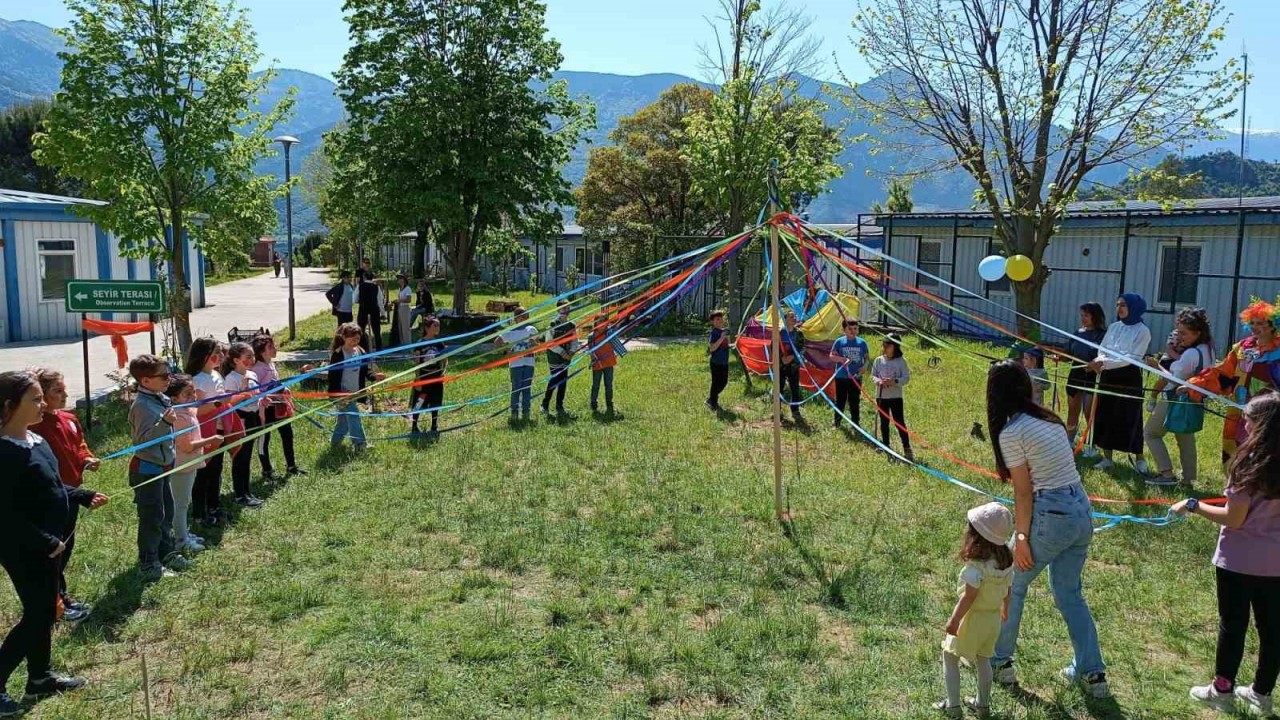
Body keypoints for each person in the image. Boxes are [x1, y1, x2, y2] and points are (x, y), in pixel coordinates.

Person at [986, 360, 1109, 698]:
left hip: (1051, 514)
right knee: (1070, 594)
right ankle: (1092, 672)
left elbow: (1024, 492)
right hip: (1081, 512)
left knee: (1011, 582)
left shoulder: (1012, 433)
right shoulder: (1049, 420)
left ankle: (999, 662)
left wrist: (1022, 539)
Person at [0, 370, 107, 714]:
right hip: (23, 547)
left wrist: (80, 494)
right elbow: (6, 515)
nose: (43, 404)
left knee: (46, 611)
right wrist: (46, 540)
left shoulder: (35, 440)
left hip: (49, 545)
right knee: (39, 613)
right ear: (8, 405)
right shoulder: (4, 453)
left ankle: (40, 678)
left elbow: (54, 486)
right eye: (35, 399)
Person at [1172, 393, 1279, 718]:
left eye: (1247, 421)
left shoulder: (1248, 462)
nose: (1243, 426)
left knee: (1233, 624)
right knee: (1272, 629)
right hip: (1276, 564)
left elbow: (1234, 518)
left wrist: (1194, 505)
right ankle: (1261, 694)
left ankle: (1222, 690)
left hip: (1239, 560)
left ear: (1261, 426)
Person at [28, 370, 102, 623]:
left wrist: (86, 458)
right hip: (51, 496)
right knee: (55, 547)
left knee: (66, 544)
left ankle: (59, 594)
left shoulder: (69, 418)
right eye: (57, 391)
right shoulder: (34, 427)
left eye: (64, 389)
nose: (65, 395)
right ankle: (55, 600)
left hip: (73, 492)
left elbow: (78, 445)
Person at [935, 502, 1014, 718]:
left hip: (972, 620)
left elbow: (968, 597)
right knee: (983, 658)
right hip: (992, 621)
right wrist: (1005, 609)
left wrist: (954, 620)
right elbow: (1008, 590)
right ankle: (982, 705)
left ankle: (952, 706)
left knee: (949, 655)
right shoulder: (1005, 561)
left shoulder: (976, 567)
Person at [1188, 298, 1280, 467]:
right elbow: (1224, 375)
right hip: (1241, 412)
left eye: (1261, 323)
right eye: (1252, 323)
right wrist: (1196, 384)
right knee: (1238, 452)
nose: (1255, 328)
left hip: (1272, 414)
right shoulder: (1242, 348)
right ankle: (1237, 488)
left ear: (1273, 325)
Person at [127, 354, 191, 581]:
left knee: (167, 512)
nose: (169, 378)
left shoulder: (159, 398)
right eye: (163, 375)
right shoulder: (142, 406)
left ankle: (166, 553)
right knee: (152, 517)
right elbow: (143, 441)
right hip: (147, 468)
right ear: (145, 381)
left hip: (163, 466)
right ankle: (149, 562)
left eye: (169, 372)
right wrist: (164, 423)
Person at [1143, 307, 1214, 487]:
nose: (1180, 337)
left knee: (1150, 433)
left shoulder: (1190, 353)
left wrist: (1156, 365)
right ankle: (1189, 479)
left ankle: (1166, 474)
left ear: (1197, 332)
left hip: (1175, 398)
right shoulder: (1208, 349)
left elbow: (1172, 378)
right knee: (1185, 437)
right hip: (1194, 401)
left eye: (1184, 333)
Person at [1086, 293, 1151, 473]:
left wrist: (1104, 363)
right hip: (1108, 375)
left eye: (1123, 305)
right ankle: (1107, 458)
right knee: (1105, 415)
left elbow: (1132, 358)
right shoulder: (1114, 327)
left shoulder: (1142, 331)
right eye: (1117, 305)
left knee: (1130, 417)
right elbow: (1103, 349)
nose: (1119, 308)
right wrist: (1100, 360)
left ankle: (1139, 458)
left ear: (1134, 307)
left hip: (1128, 377)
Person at [164, 375, 223, 554]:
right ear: (174, 398)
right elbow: (186, 445)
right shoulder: (179, 417)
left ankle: (183, 534)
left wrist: (220, 402)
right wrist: (210, 440)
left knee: (183, 502)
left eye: (193, 393)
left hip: (190, 463)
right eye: (187, 394)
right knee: (180, 505)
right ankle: (181, 541)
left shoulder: (187, 411)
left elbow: (200, 409)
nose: (192, 397)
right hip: (183, 465)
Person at [185, 338, 230, 526]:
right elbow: (199, 410)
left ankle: (214, 506)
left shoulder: (216, 375)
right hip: (204, 432)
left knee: (216, 469)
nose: (221, 356)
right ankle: (199, 513)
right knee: (203, 472)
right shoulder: (197, 380)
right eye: (216, 354)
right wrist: (221, 401)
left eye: (220, 353)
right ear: (204, 356)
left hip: (219, 429)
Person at [251, 334, 303, 480]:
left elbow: (275, 383)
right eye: (270, 347)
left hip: (280, 407)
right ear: (262, 351)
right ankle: (267, 471)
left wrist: (283, 390)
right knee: (264, 439)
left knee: (287, 435)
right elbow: (256, 391)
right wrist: (267, 395)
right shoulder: (257, 369)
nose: (275, 349)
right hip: (265, 410)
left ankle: (291, 466)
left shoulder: (271, 364)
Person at [221, 342, 264, 508]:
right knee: (240, 457)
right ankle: (240, 495)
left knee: (247, 457)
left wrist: (262, 399)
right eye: (248, 357)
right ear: (235, 360)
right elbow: (229, 401)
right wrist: (243, 392)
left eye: (253, 356)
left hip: (253, 416)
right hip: (241, 418)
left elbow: (257, 393)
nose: (252, 359)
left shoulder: (252, 374)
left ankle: (247, 492)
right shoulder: (231, 378)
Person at [328, 322, 382, 450]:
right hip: (343, 394)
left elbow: (366, 371)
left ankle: (334, 444)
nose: (355, 341)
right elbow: (333, 376)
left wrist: (375, 376)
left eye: (357, 339)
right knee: (353, 417)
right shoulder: (338, 354)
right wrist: (337, 394)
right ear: (344, 337)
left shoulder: (360, 352)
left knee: (344, 422)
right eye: (352, 339)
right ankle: (360, 444)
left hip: (355, 392)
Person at [1065, 303, 1106, 443]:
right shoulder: (1077, 333)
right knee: (1072, 409)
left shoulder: (1102, 335)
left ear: (1095, 316)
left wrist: (1094, 363)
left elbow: (1104, 356)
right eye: (1081, 315)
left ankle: (1091, 442)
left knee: (1089, 412)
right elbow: (1069, 352)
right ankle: (1069, 440)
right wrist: (1060, 357)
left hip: (1092, 375)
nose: (1083, 318)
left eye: (1086, 315)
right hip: (1075, 374)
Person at [872, 334, 913, 462]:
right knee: (884, 422)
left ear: (895, 346)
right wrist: (878, 381)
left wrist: (894, 381)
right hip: (881, 396)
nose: (884, 346)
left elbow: (906, 378)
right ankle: (886, 445)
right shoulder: (878, 360)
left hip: (895, 397)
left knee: (899, 422)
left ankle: (906, 447)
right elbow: (873, 375)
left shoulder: (901, 361)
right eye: (883, 344)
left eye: (887, 344)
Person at [495, 307, 539, 423]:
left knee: (526, 388)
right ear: (517, 318)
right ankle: (514, 413)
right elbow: (497, 341)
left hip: (529, 363)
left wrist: (533, 344)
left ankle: (526, 413)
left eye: (527, 316)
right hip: (515, 365)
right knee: (516, 389)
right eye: (523, 316)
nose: (526, 318)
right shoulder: (510, 332)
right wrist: (506, 352)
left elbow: (537, 343)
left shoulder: (531, 329)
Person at [828, 318, 869, 429]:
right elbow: (832, 356)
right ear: (844, 330)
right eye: (849, 329)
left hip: (856, 377)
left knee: (854, 400)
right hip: (841, 376)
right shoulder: (839, 342)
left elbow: (866, 358)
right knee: (840, 400)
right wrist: (842, 359)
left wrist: (864, 367)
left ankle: (855, 423)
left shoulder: (862, 343)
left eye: (855, 328)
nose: (852, 331)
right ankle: (837, 423)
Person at [411, 318, 446, 435]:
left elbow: (445, 358)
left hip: (436, 377)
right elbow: (416, 363)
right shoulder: (420, 343)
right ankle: (414, 425)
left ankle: (434, 425)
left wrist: (443, 372)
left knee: (436, 401)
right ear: (427, 328)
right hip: (423, 377)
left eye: (438, 326)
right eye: (434, 326)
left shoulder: (439, 343)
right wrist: (418, 378)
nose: (437, 328)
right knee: (419, 401)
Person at [542, 316, 579, 416]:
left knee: (563, 381)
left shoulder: (571, 325)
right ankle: (545, 404)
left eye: (567, 307)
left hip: (566, 358)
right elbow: (549, 342)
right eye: (563, 308)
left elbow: (574, 340)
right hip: (554, 357)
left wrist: (571, 351)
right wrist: (562, 352)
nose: (565, 310)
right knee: (554, 380)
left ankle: (559, 406)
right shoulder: (553, 324)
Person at [779, 311, 806, 423]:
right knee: (778, 388)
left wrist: (791, 357)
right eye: (791, 316)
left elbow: (802, 349)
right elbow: (773, 347)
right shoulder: (780, 333)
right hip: (781, 365)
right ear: (785, 319)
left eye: (795, 316)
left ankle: (795, 411)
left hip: (794, 365)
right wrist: (781, 358)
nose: (794, 318)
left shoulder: (799, 333)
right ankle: (777, 410)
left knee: (795, 388)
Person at [589, 318, 618, 414]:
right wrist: (595, 359)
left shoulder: (610, 333)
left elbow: (616, 344)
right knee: (596, 385)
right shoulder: (592, 335)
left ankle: (609, 403)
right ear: (596, 323)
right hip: (598, 364)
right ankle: (593, 404)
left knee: (608, 384)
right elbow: (591, 350)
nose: (602, 323)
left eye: (604, 321)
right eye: (599, 321)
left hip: (609, 363)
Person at [706, 310, 732, 412]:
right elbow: (712, 348)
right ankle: (713, 402)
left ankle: (711, 399)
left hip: (724, 362)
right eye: (717, 319)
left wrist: (731, 345)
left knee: (724, 382)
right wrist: (721, 338)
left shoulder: (723, 332)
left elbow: (724, 345)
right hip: (716, 362)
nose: (720, 321)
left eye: (721, 319)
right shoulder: (714, 333)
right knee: (716, 382)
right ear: (712, 321)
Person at [357, 271, 383, 351]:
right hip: (374, 310)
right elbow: (380, 300)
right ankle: (379, 349)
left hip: (363, 309)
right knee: (376, 331)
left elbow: (354, 299)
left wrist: (361, 300)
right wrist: (383, 312)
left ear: (364, 277)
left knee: (361, 330)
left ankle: (362, 348)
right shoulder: (376, 287)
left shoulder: (360, 286)